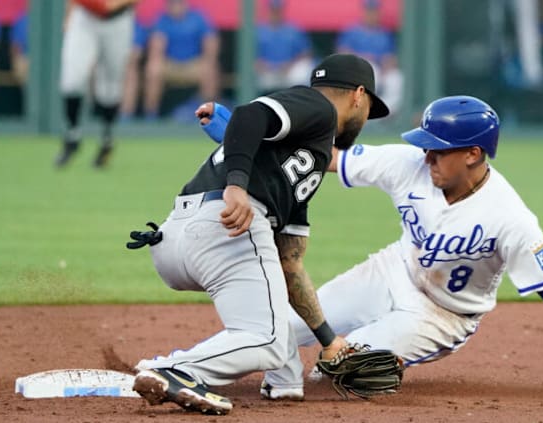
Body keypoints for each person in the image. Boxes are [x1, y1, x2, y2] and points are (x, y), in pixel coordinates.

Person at [198, 95, 543, 399]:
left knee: (335, 369)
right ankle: (187, 369)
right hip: (392, 272)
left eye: (440, 149)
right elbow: (325, 158)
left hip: (442, 316)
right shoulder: (410, 163)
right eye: (426, 146)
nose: (427, 156)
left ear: (473, 154)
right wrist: (240, 132)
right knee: (280, 322)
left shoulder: (510, 218)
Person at [128, 53, 390, 415]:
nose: (365, 118)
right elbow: (250, 115)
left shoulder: (301, 165)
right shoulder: (319, 107)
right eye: (369, 108)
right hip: (227, 226)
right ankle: (176, 369)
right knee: (266, 340)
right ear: (358, 94)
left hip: (180, 241)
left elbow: (288, 265)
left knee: (287, 376)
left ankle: (281, 383)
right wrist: (237, 184)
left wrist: (329, 342)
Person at [55, 0, 139, 169]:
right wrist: (68, 15)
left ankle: (106, 139)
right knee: (72, 79)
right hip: (85, 18)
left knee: (110, 87)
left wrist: (110, 4)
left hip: (118, 21)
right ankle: (72, 136)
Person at [142, 0, 220, 121]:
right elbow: (156, 47)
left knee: (209, 70)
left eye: (178, 3)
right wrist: (156, 60)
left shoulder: (198, 18)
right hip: (170, 63)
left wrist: (208, 60)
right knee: (153, 68)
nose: (175, 7)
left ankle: (208, 115)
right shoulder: (163, 20)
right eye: (172, 4)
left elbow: (210, 42)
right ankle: (151, 114)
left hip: (193, 63)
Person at [336, 0, 403, 112]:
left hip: (382, 71)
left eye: (374, 11)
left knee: (396, 79)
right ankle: (363, 112)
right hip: (359, 70)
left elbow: (391, 57)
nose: (371, 14)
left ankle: (383, 113)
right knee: (372, 69)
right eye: (369, 11)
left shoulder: (384, 33)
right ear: (364, 12)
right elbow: (342, 52)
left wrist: (387, 65)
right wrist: (363, 57)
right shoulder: (352, 31)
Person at [255, 0, 314, 94]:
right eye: (273, 10)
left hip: (289, 71)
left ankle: (302, 103)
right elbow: (251, 56)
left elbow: (306, 53)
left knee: (304, 69)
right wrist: (262, 65)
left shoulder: (293, 29)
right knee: (251, 72)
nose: (275, 13)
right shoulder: (259, 30)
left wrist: (289, 65)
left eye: (278, 10)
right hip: (266, 72)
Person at [119, 19, 151, 121]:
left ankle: (126, 115)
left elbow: (136, 54)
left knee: (131, 72)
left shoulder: (135, 27)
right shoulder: (104, 24)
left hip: (125, 65)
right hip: (106, 65)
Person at [10, 12, 28, 84]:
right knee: (21, 63)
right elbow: (16, 47)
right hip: (25, 58)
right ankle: (29, 94)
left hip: (45, 58)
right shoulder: (21, 21)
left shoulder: (50, 21)